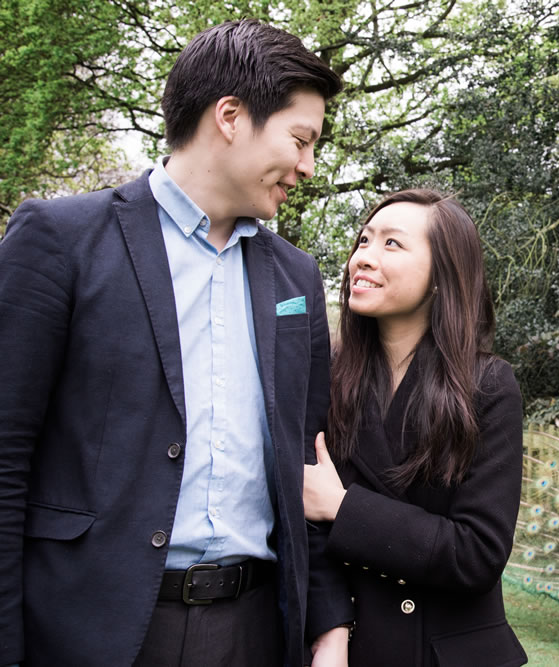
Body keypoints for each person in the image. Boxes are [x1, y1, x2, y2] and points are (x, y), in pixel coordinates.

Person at [0, 19, 353, 667]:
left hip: (255, 631)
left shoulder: (296, 279)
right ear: (230, 116)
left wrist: (329, 626)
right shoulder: (59, 239)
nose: (307, 166)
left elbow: (305, 462)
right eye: (301, 140)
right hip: (92, 633)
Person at [303, 190, 528, 666]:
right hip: (349, 648)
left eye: (391, 245)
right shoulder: (324, 375)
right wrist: (330, 630)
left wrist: (344, 508)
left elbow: (477, 554)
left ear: (441, 276)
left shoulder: (486, 386)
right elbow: (304, 531)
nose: (363, 257)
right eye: (363, 241)